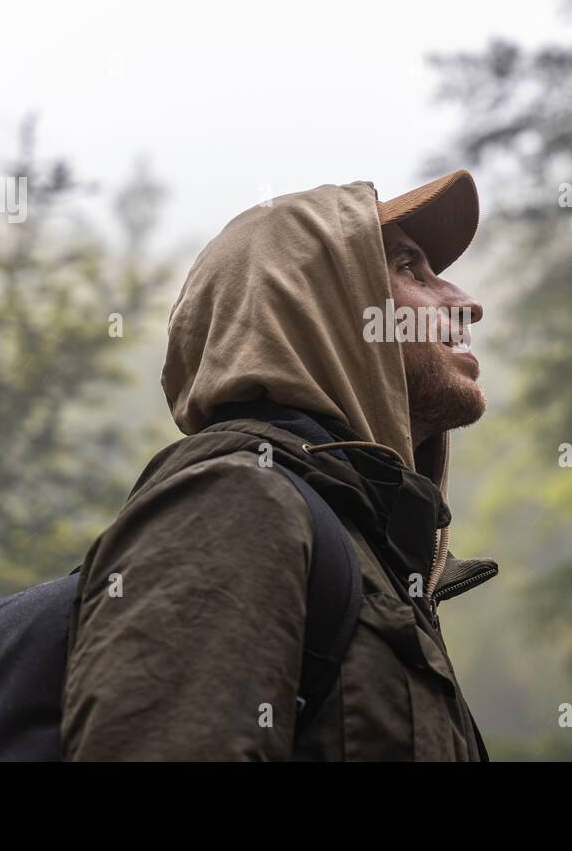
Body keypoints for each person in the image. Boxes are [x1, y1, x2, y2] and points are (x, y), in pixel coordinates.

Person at [61, 170, 499, 760]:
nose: (466, 303)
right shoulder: (233, 502)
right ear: (314, 307)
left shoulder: (366, 543)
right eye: (407, 269)